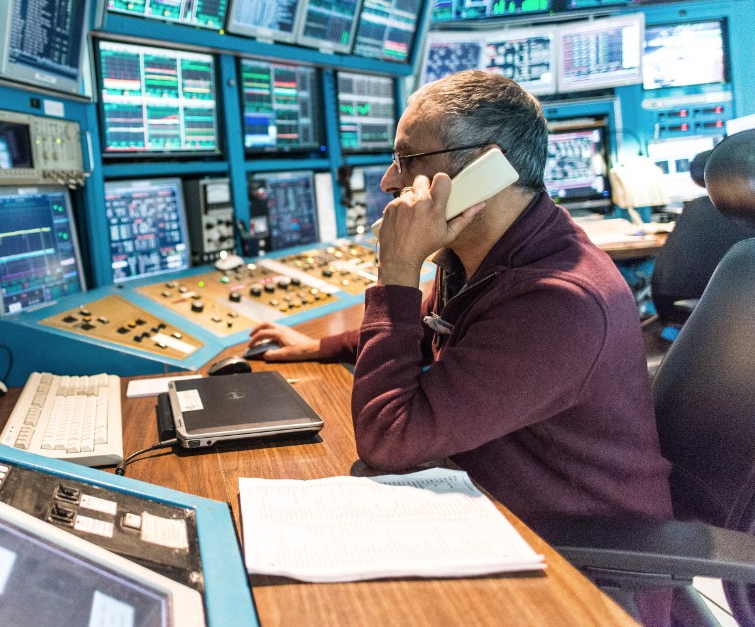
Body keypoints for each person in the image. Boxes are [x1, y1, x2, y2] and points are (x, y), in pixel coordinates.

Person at [248, 70, 672, 526]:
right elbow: (423, 320)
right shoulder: (489, 255)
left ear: (484, 169)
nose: (390, 181)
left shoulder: (556, 302)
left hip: (579, 560)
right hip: (498, 497)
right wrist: (319, 347)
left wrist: (396, 270)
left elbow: (388, 442)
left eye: (407, 158)